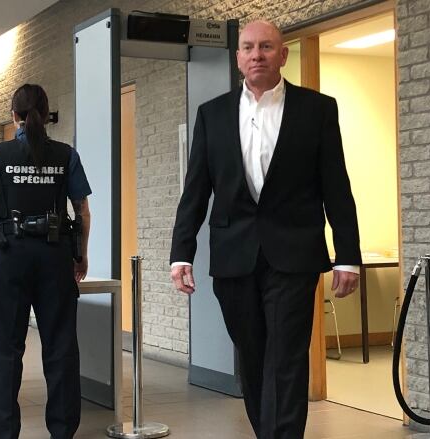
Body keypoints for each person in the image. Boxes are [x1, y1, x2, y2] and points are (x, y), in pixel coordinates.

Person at [169, 21, 362, 439]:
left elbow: (336, 185)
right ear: (238, 57)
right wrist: (180, 253)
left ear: (283, 54)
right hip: (234, 256)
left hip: (294, 255)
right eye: (249, 47)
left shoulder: (317, 109)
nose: (257, 54)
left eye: (267, 47)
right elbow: (196, 190)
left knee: (286, 358)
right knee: (253, 358)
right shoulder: (213, 114)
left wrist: (347, 255)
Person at [0, 83, 91, 439]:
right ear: (47, 114)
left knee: (5, 351)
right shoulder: (67, 154)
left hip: (11, 257)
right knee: (61, 347)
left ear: (14, 116)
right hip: (55, 257)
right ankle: (63, 431)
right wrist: (80, 256)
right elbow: (82, 210)